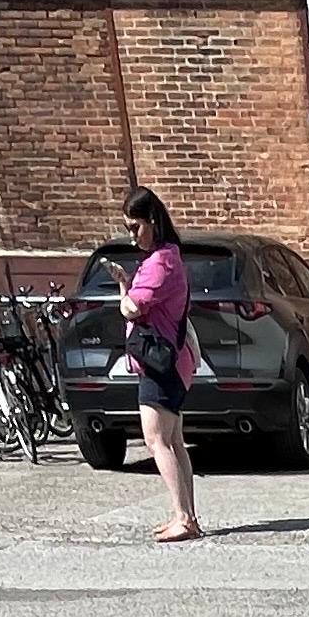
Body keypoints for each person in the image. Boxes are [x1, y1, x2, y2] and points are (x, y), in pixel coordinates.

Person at [118, 187, 202, 544]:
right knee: (174, 440)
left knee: (156, 440)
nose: (132, 235)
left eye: (135, 227)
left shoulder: (161, 262)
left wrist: (122, 291)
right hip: (171, 362)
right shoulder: (168, 257)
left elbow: (132, 308)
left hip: (159, 364)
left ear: (152, 221)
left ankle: (183, 517)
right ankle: (187, 516)